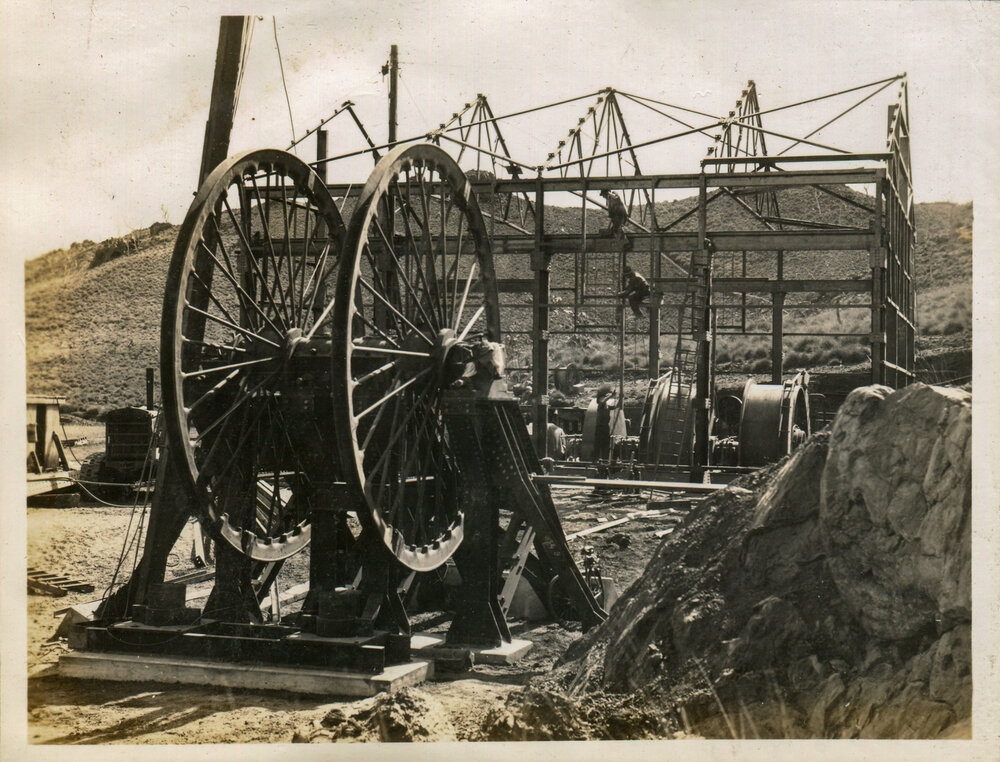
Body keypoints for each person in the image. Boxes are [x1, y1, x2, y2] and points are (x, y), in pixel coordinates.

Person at [594, 383, 615, 462]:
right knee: (598, 444)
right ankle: (596, 459)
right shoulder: (601, 405)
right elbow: (602, 401)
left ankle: (605, 460)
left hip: (605, 427)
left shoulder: (607, 406)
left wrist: (620, 398)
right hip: (600, 428)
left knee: (606, 445)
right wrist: (611, 395)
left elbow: (617, 407)